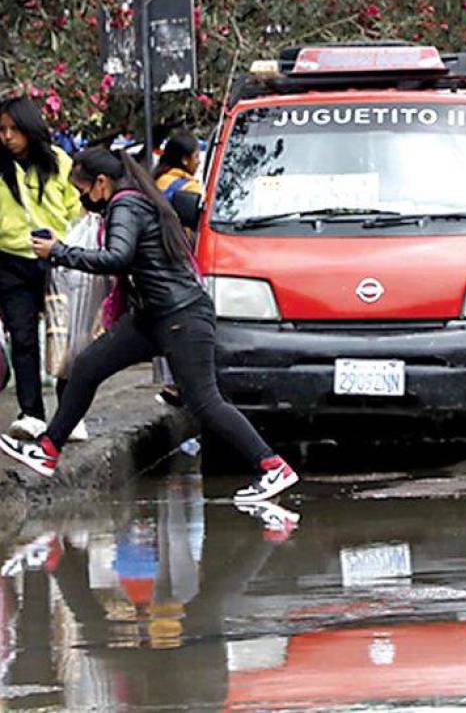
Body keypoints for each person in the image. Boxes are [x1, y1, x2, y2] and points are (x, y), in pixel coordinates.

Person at [0, 146, 299, 503]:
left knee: (205, 402)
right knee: (87, 367)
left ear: (101, 183)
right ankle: (49, 449)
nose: (83, 201)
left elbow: (117, 257)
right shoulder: (137, 200)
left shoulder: (126, 205)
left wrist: (59, 252)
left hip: (180, 317)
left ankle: (272, 466)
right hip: (152, 316)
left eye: (83, 192)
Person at [0, 96, 83, 441]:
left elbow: (75, 206)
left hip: (57, 258)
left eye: (14, 129)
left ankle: (69, 415)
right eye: (1, 130)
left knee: (64, 339)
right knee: (21, 337)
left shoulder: (60, 162)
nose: (6, 137)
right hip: (10, 259)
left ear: (30, 129)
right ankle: (31, 412)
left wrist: (67, 243)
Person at [151, 130, 203, 409]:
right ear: (184, 159)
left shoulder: (155, 181)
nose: (197, 162)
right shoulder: (188, 187)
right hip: (180, 260)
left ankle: (169, 381)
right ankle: (184, 383)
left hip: (154, 261)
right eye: (196, 156)